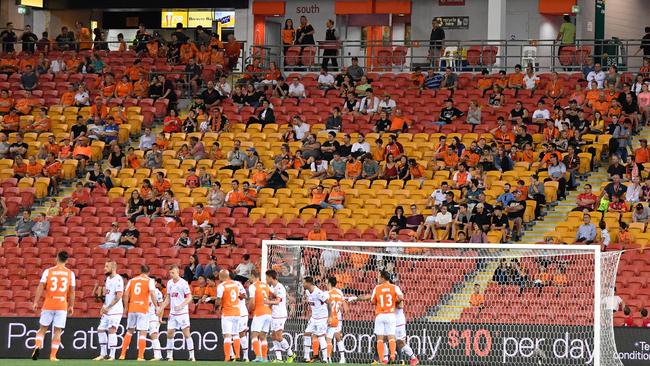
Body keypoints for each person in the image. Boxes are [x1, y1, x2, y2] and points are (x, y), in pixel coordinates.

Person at [31, 251, 76, 361]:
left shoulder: (48, 271)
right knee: (57, 331)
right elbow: (72, 292)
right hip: (61, 305)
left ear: (56, 258)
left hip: (49, 303)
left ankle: (37, 346)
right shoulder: (70, 273)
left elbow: (41, 287)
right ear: (67, 260)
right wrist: (71, 306)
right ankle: (53, 356)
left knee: (42, 329)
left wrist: (36, 302)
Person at [119, 265, 157, 361]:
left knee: (129, 331)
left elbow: (126, 294)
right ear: (148, 272)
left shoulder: (132, 280)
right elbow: (152, 293)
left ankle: (122, 355)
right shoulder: (149, 280)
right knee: (143, 332)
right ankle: (140, 356)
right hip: (143, 308)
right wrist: (156, 306)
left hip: (132, 308)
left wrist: (126, 307)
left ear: (140, 271)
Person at [159, 265, 195, 362]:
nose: (171, 275)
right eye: (170, 273)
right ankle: (169, 356)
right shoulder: (169, 283)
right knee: (169, 333)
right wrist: (161, 307)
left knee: (186, 333)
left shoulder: (183, 283)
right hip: (173, 313)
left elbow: (189, 297)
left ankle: (192, 356)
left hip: (182, 313)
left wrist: (181, 305)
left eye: (173, 273)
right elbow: (168, 298)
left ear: (178, 272)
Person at [91, 261, 123, 361]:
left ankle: (112, 355)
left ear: (113, 268)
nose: (104, 268)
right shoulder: (108, 279)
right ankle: (103, 354)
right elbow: (108, 296)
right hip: (107, 309)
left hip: (115, 310)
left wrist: (108, 307)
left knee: (111, 330)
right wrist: (104, 306)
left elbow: (118, 296)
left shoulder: (118, 279)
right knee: (100, 329)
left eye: (107, 266)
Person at [371, 270, 402, 363]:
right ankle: (392, 356)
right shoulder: (395, 287)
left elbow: (372, 301)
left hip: (380, 315)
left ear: (383, 278)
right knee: (391, 337)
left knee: (379, 338)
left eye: (379, 277)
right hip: (390, 315)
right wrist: (394, 301)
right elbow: (401, 297)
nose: (378, 278)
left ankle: (381, 360)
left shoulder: (377, 288)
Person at [265, 270, 295, 362]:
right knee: (273, 336)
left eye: (266, 277)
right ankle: (279, 358)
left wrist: (267, 302)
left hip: (280, 315)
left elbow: (278, 301)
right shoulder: (272, 288)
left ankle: (291, 354)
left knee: (278, 336)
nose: (266, 279)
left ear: (270, 277)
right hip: (274, 314)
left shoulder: (279, 287)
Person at [216, 270, 246, 361]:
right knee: (236, 334)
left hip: (227, 312)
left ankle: (227, 357)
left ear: (221, 276)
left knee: (227, 335)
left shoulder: (221, 286)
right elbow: (242, 295)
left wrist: (217, 305)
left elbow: (218, 300)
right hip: (237, 312)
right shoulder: (236, 284)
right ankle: (237, 355)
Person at [302, 276, 330, 363]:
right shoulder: (307, 291)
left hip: (322, 318)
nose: (303, 284)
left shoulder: (318, 293)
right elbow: (312, 304)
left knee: (321, 337)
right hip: (314, 318)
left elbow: (329, 303)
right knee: (307, 333)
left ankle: (325, 359)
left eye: (304, 282)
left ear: (309, 283)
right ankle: (306, 357)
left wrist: (330, 316)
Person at [248, 270, 274, 362]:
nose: (249, 279)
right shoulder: (265, 285)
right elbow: (275, 294)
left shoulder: (252, 286)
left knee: (254, 335)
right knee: (263, 336)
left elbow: (252, 302)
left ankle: (258, 357)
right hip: (268, 313)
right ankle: (264, 358)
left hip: (259, 313)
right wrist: (271, 303)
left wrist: (248, 310)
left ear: (252, 276)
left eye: (249, 277)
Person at [324, 276, 348, 363]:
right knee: (338, 337)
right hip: (338, 317)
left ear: (330, 283)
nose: (325, 284)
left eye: (326, 283)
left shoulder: (327, 293)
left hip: (329, 317)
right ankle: (342, 358)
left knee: (328, 338)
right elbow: (344, 306)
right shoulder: (340, 292)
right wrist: (346, 313)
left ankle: (328, 358)